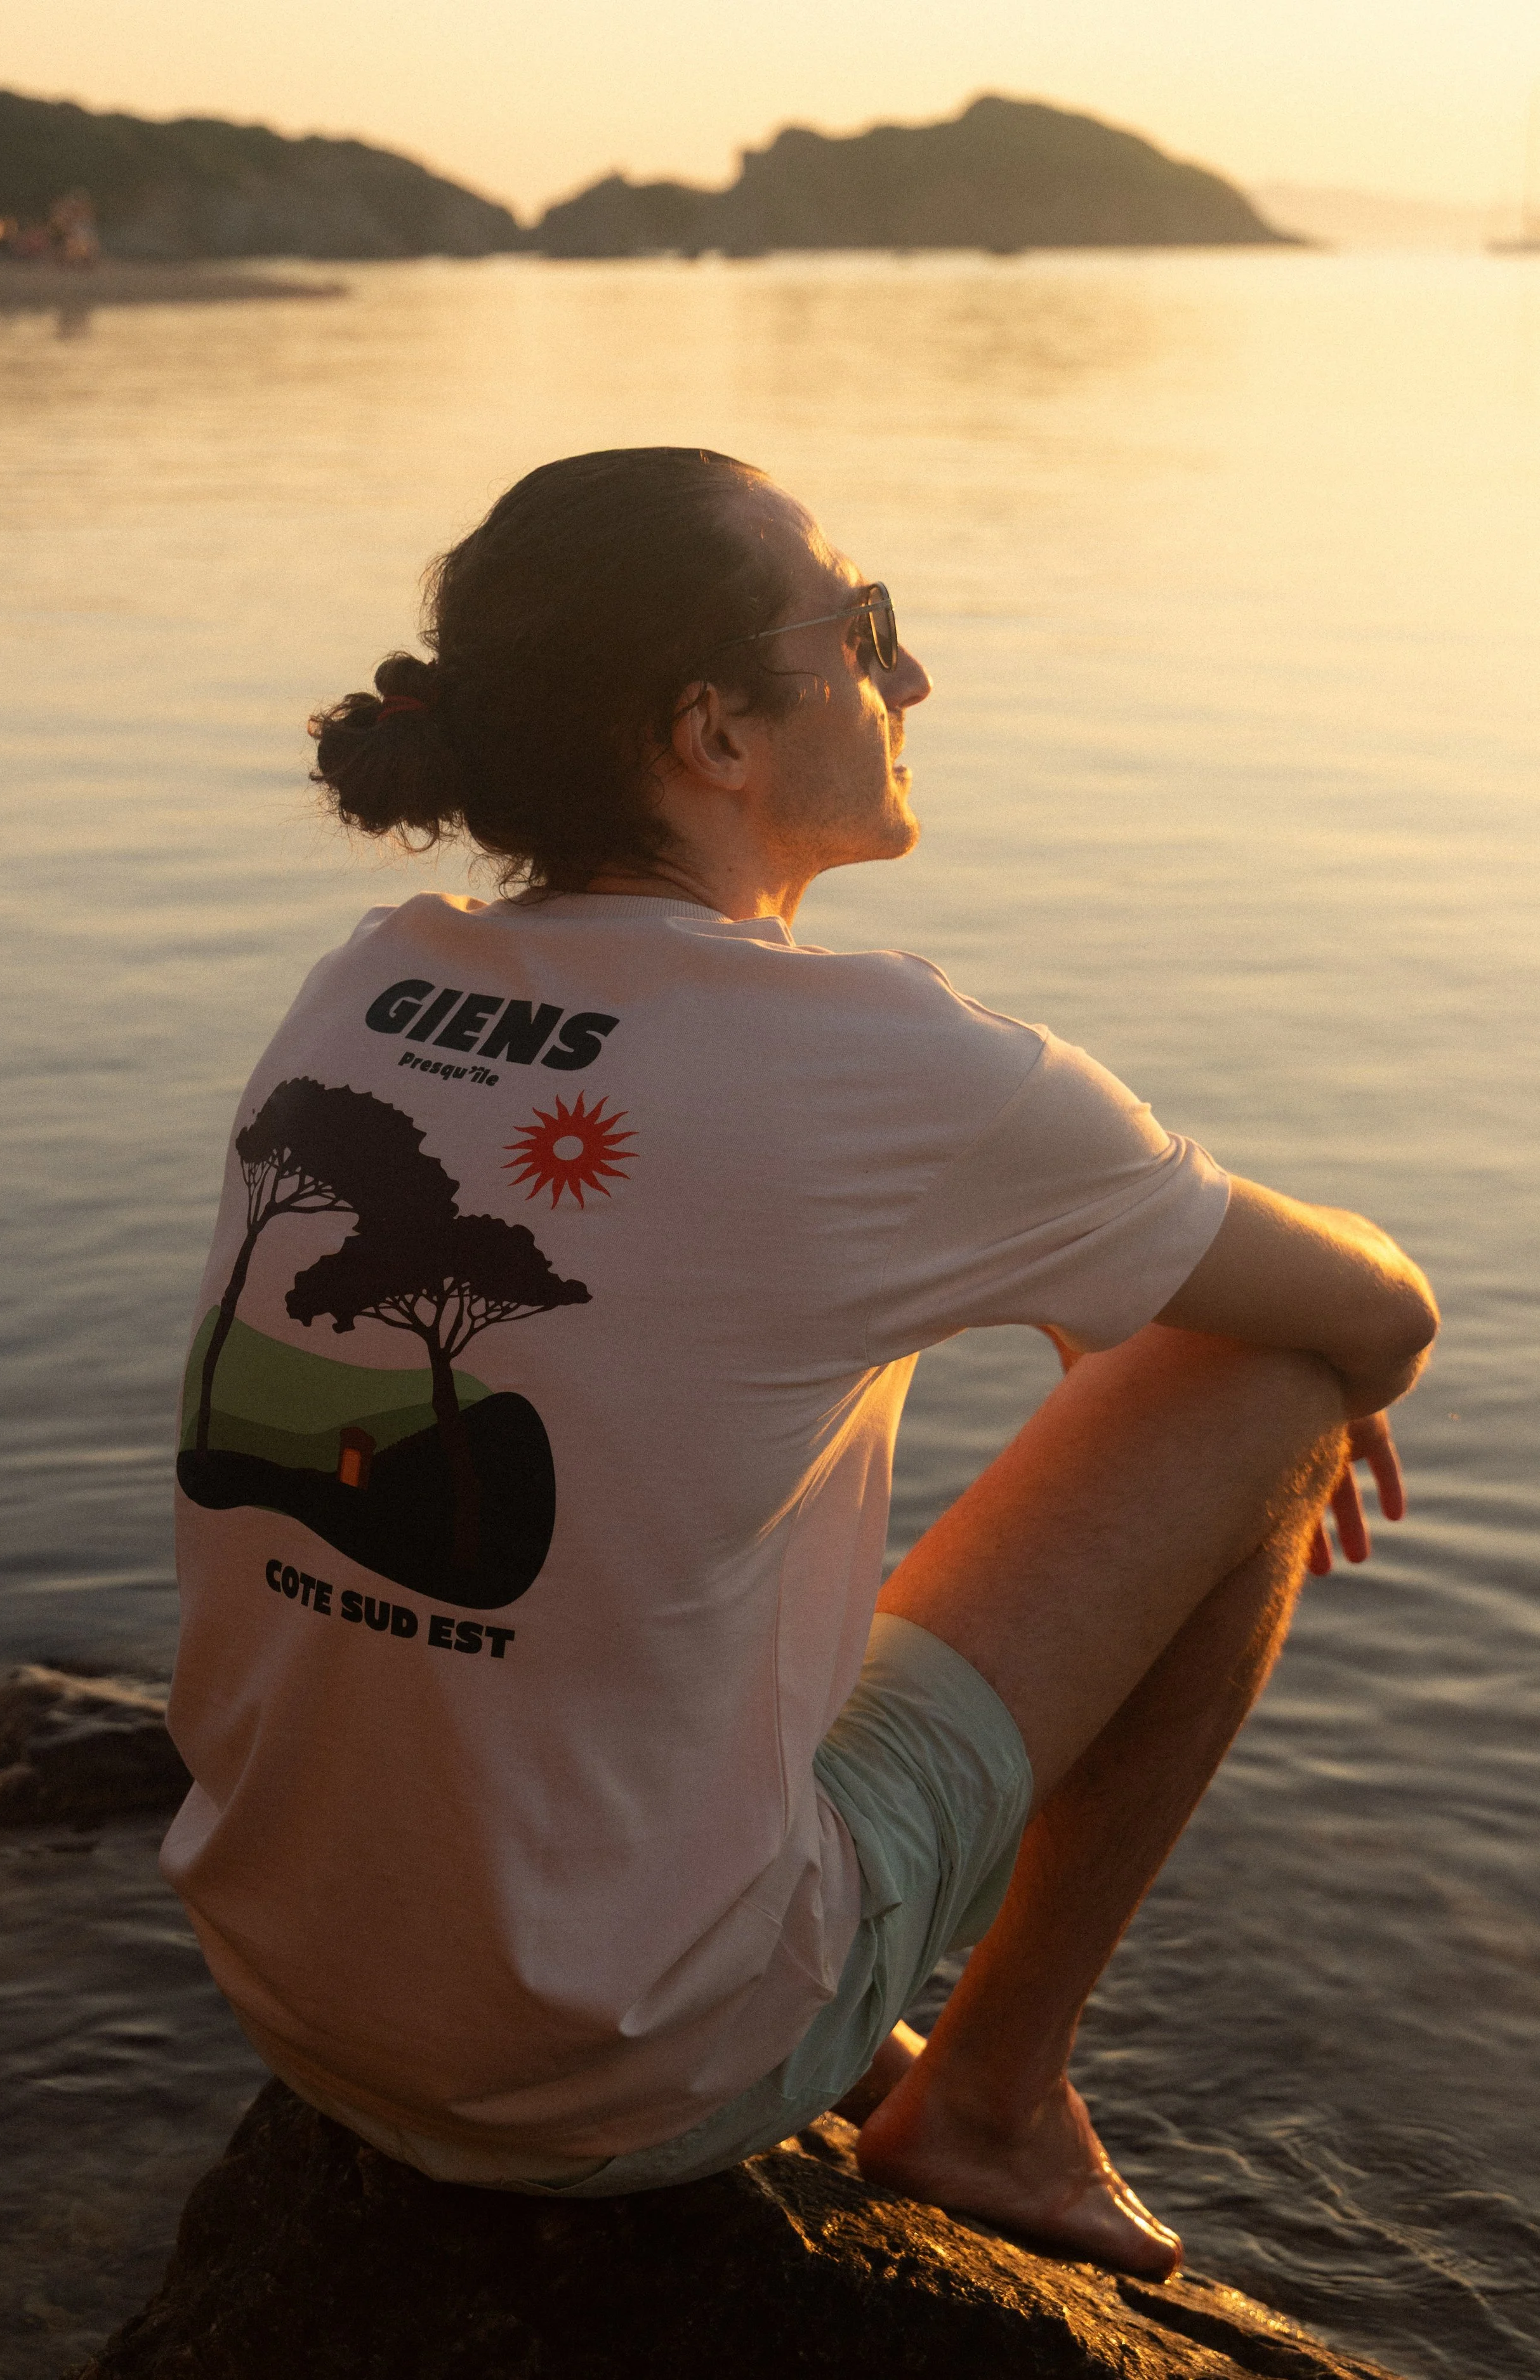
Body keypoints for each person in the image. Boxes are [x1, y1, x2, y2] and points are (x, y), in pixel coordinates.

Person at [162, 446, 1437, 2279]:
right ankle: (985, 2098)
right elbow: (1379, 1315)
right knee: (1265, 1383)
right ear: (715, 736)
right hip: (615, 2081)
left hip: (292, 1994)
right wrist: (1274, 1399)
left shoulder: (365, 979)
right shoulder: (881, 1061)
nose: (907, 680)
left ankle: (723, 1944)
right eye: (862, 630)